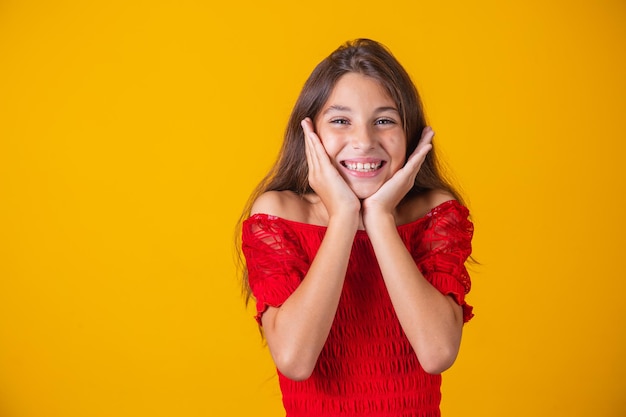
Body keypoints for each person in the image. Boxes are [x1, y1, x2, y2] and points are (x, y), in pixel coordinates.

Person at [238, 38, 474, 417]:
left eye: (384, 120)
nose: (364, 141)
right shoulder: (279, 213)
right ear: (310, 133)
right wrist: (345, 216)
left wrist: (379, 218)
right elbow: (295, 361)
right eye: (341, 121)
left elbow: (438, 353)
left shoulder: (435, 212)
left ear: (410, 133)